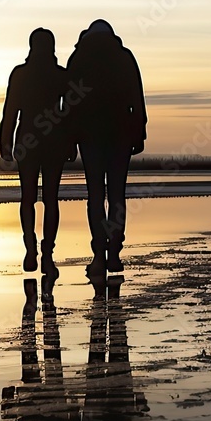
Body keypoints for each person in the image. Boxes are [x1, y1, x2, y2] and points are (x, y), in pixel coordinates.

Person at [66, 19, 147, 276]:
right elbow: (137, 97)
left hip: (90, 136)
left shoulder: (78, 58)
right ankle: (114, 254)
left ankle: (99, 253)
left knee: (95, 197)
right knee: (116, 195)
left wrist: (69, 138)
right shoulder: (124, 57)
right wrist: (139, 131)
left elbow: (69, 104)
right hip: (120, 134)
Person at [0, 28, 73, 273]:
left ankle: (32, 249)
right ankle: (47, 253)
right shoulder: (60, 75)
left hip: (28, 141)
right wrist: (71, 142)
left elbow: (10, 111)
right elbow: (69, 113)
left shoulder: (20, 74)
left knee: (28, 198)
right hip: (53, 142)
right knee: (50, 199)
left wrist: (5, 141)